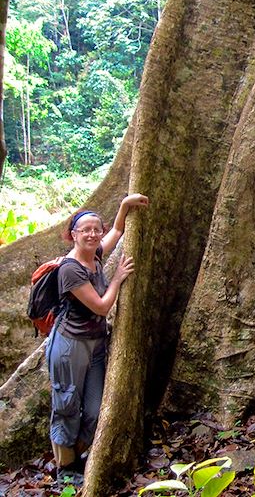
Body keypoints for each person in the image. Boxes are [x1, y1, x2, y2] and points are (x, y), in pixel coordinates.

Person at [48, 193, 149, 482]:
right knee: (67, 405)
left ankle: (81, 457)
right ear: (72, 235)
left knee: (94, 410)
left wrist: (124, 206)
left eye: (97, 229)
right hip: (70, 346)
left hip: (97, 345)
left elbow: (118, 231)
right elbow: (103, 306)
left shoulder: (95, 255)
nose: (93, 234)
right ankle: (65, 470)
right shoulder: (70, 269)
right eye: (85, 230)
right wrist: (117, 278)